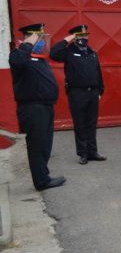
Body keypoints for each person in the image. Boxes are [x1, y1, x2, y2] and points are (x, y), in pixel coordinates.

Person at [9, 23, 66, 191]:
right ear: (31, 37)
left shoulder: (39, 58)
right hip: (32, 108)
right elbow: (17, 61)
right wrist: (28, 43)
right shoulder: (20, 55)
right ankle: (41, 181)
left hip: (45, 107)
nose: (42, 41)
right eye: (39, 38)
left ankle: (44, 175)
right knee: (37, 145)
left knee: (45, 143)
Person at [50, 25, 106, 164]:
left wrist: (100, 90)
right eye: (80, 36)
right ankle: (83, 154)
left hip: (92, 92)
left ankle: (93, 152)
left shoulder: (92, 52)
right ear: (74, 37)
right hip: (77, 93)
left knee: (91, 124)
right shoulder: (68, 52)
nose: (84, 38)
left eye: (85, 35)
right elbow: (53, 53)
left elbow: (98, 73)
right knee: (80, 123)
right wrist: (67, 39)